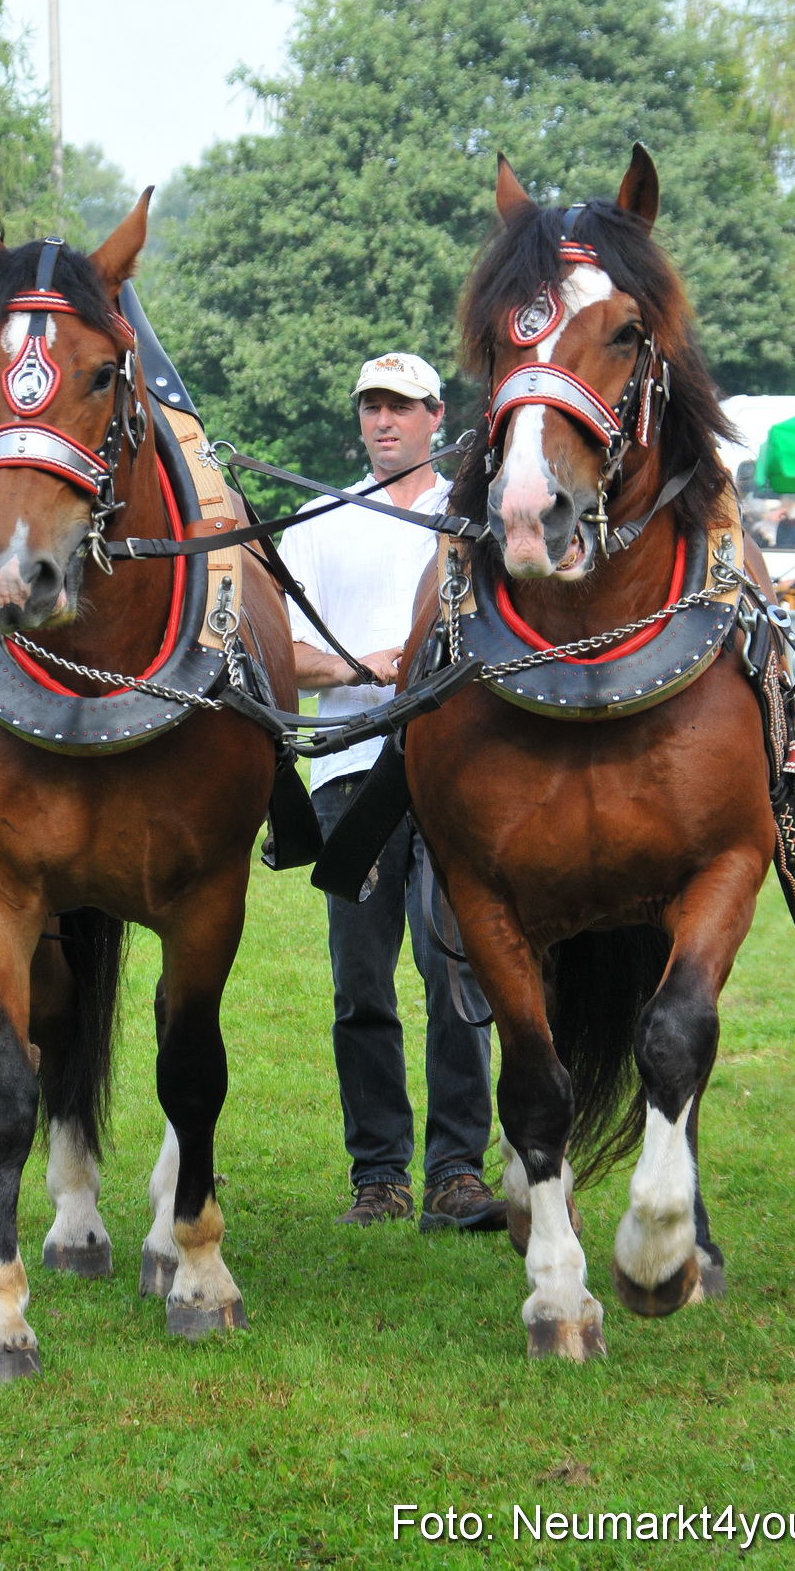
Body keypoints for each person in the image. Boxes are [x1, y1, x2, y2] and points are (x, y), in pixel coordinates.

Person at [280, 352, 506, 1232]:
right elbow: (277, 649)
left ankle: (457, 1170)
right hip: (349, 772)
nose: (382, 422)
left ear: (432, 414)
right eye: (370, 407)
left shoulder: (470, 512)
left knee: (457, 972)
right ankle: (378, 1173)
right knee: (361, 983)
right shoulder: (317, 518)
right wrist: (355, 664)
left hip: (453, 773)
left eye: (399, 407)